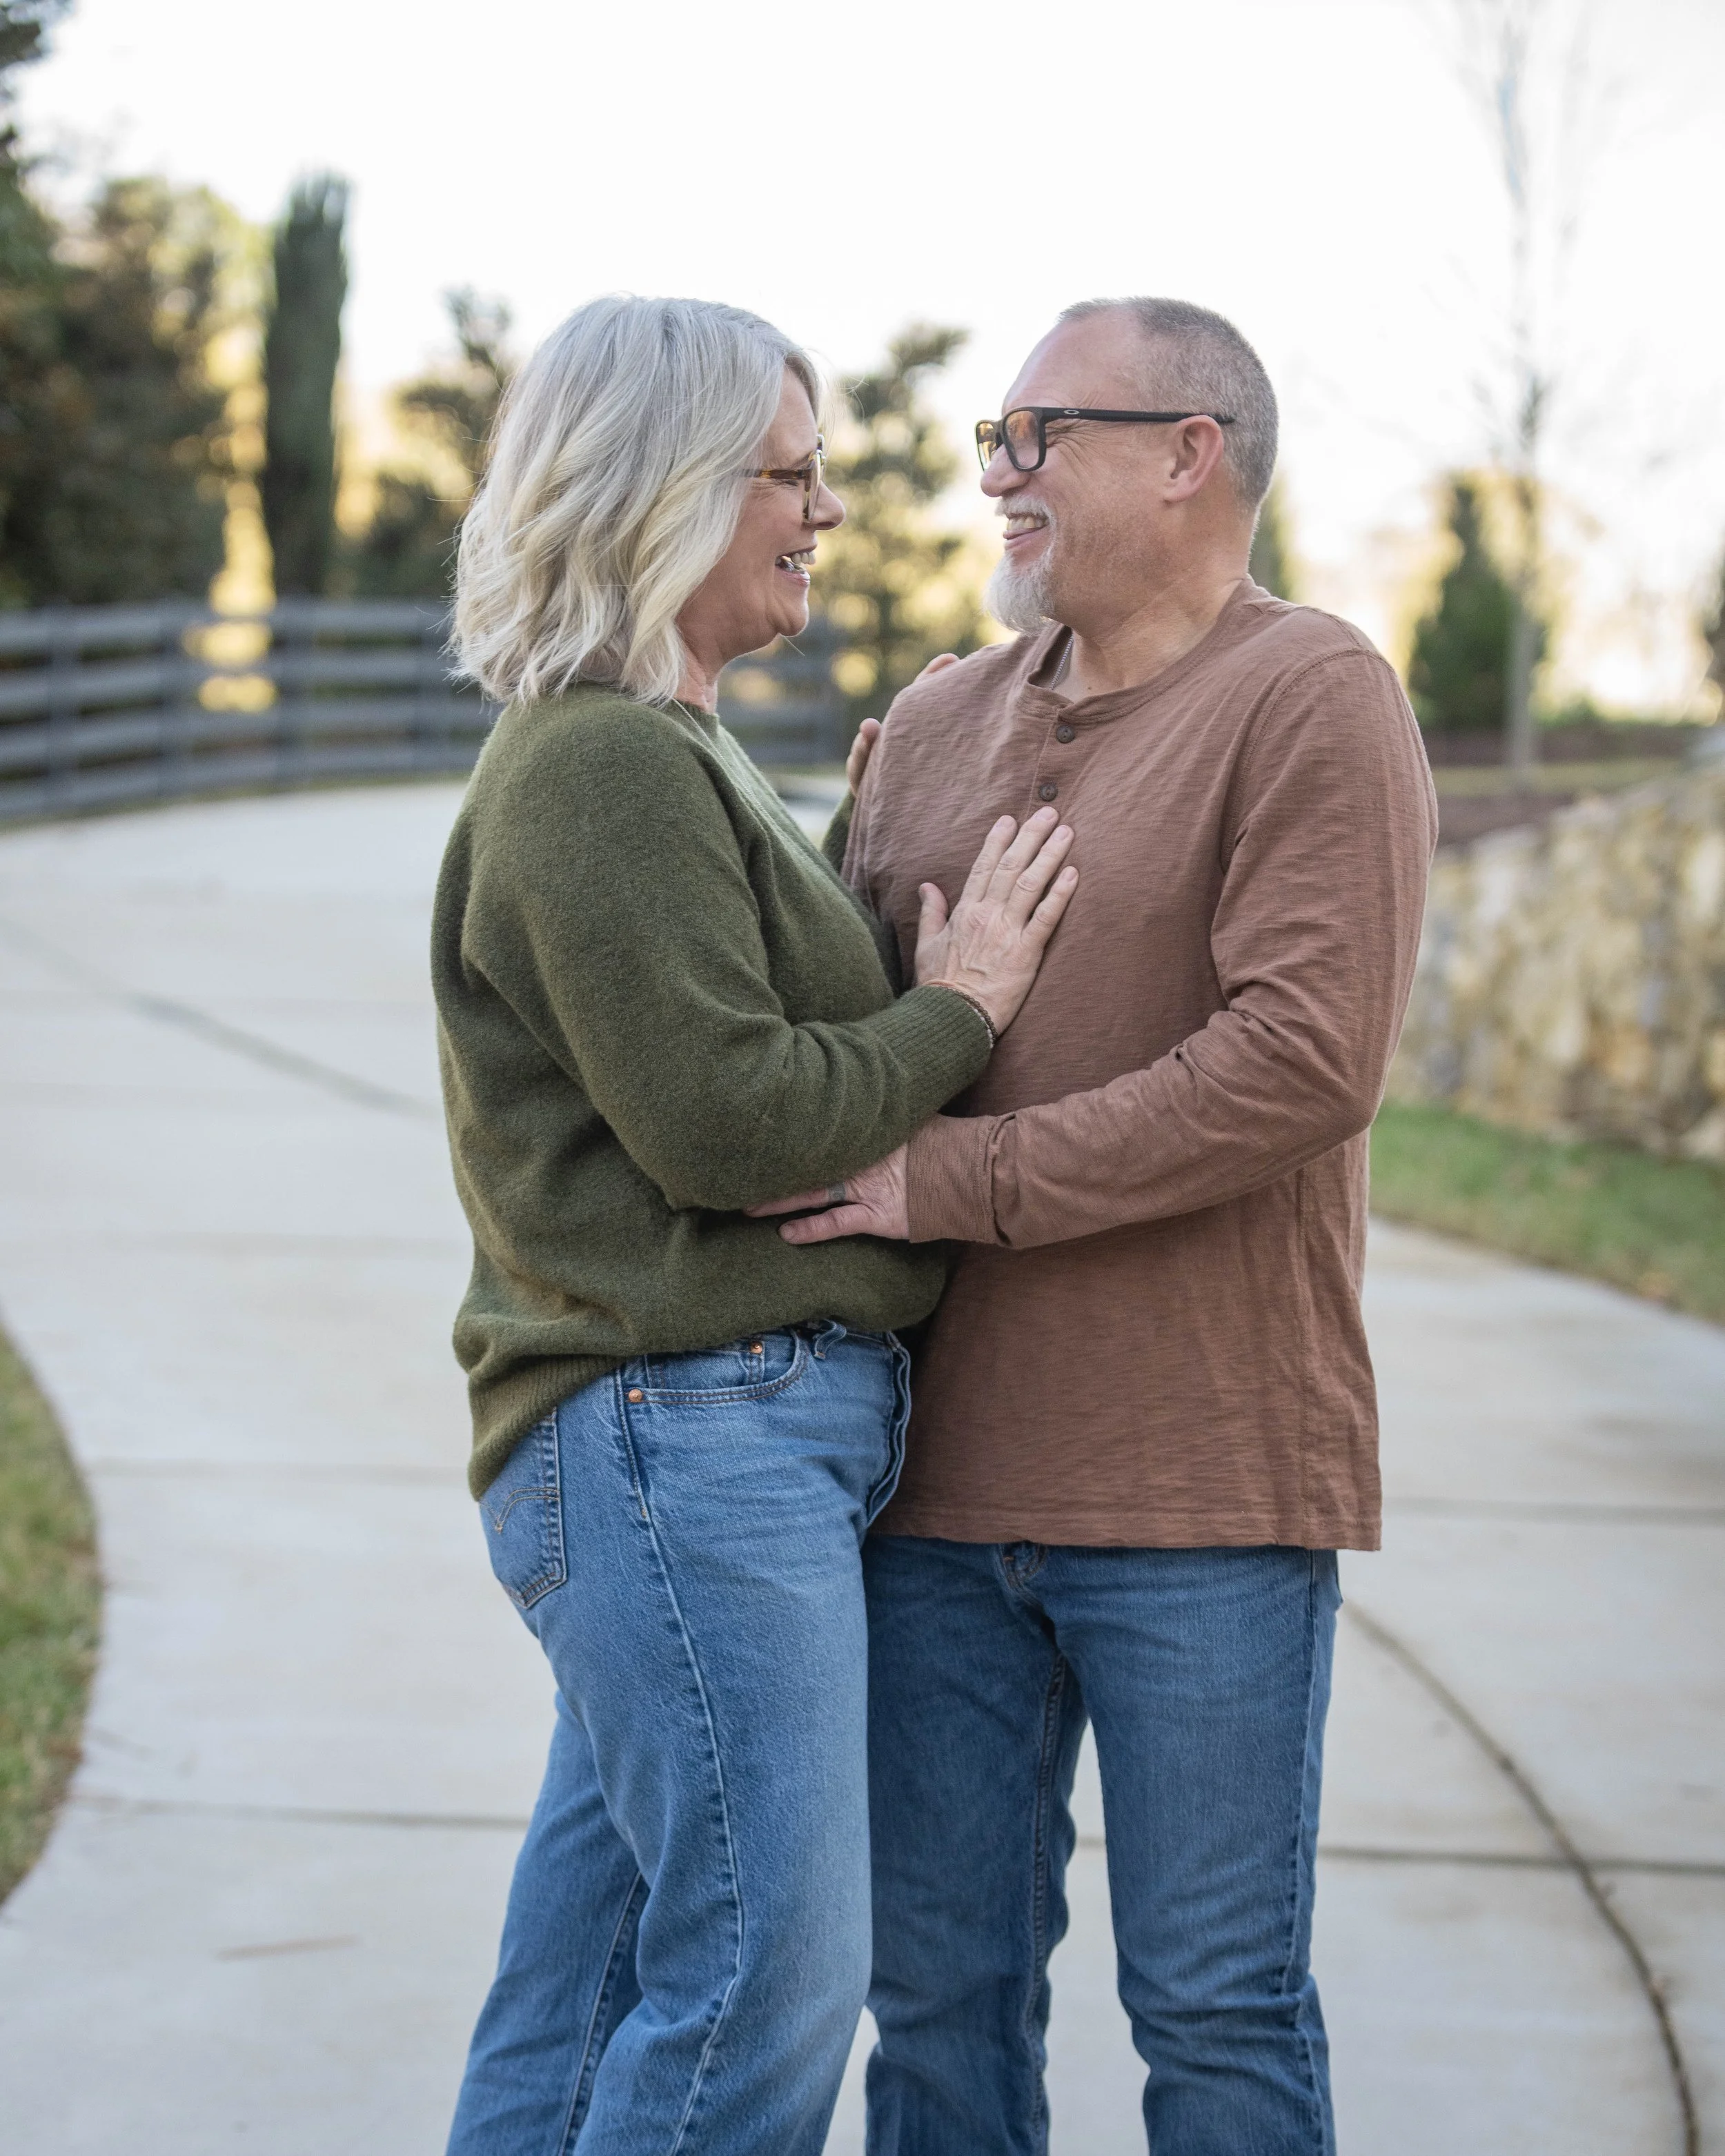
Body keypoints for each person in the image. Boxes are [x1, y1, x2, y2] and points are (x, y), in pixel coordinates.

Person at [751, 297, 1439, 2154]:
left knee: (1211, 2009)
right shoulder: (934, 725)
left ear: (1184, 450)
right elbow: (813, 1038)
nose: (995, 472)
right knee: (938, 2004)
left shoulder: (1310, 697)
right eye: (993, 434)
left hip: (1201, 1490)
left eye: (1034, 432)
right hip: (924, 1489)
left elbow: (1299, 1063)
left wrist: (952, 1176)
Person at [431, 293, 1078, 2156]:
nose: (824, 511)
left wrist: (845, 851)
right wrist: (956, 1000)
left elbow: (731, 1020)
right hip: (680, 1446)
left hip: (688, 1455)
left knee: (585, 1994)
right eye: (791, 476)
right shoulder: (600, 765)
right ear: (669, 489)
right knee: (759, 1986)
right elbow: (727, 1118)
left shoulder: (669, 751)